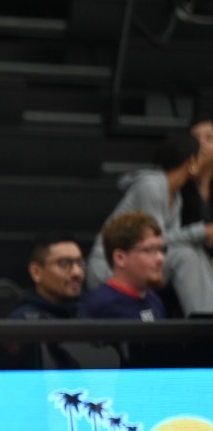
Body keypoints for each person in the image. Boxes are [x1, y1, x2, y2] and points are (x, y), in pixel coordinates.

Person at [84, 131, 213, 316]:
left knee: (193, 251)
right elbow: (155, 240)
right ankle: (205, 323)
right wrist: (202, 231)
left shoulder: (176, 197)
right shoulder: (151, 186)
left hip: (142, 259)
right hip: (110, 266)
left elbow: (169, 243)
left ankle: (208, 315)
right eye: (201, 157)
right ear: (191, 161)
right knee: (185, 255)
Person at [78, 212, 168, 321]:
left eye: (161, 250)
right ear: (120, 258)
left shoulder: (155, 301)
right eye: (148, 250)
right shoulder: (96, 307)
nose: (160, 259)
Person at [11, 235, 86, 320]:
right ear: (36, 272)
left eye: (80, 263)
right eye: (64, 263)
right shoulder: (24, 323)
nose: (77, 272)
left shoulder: (87, 313)